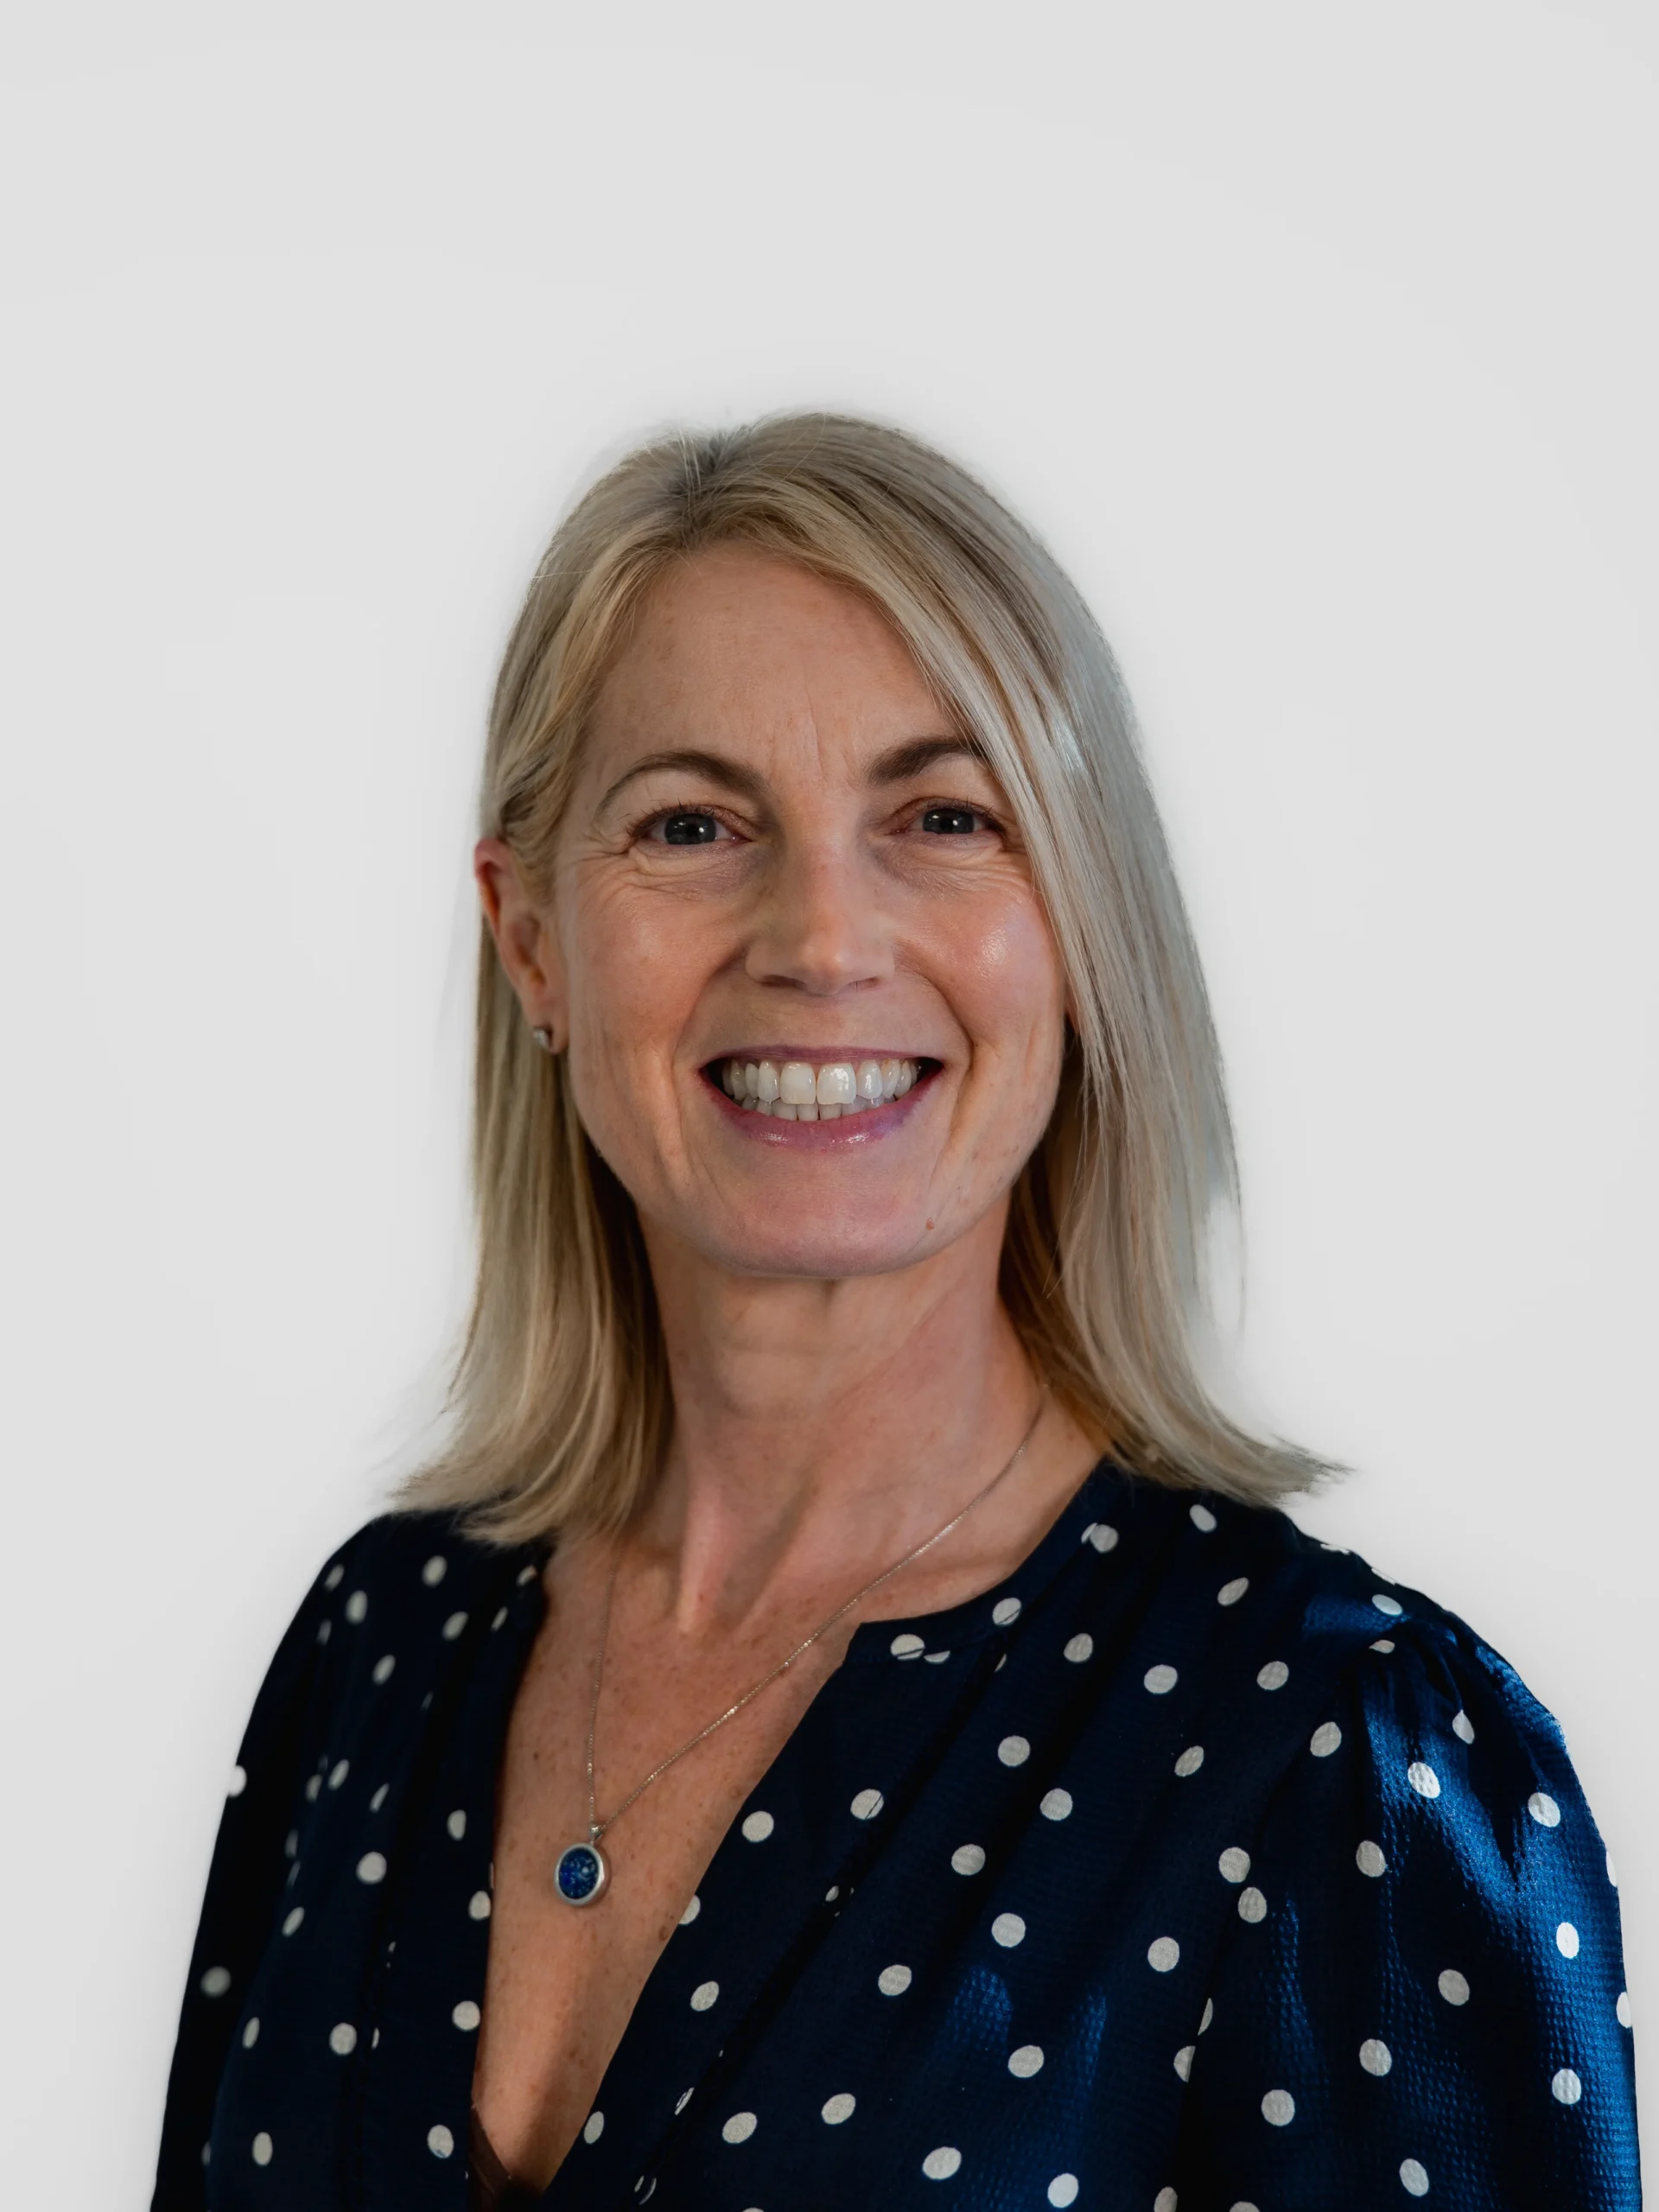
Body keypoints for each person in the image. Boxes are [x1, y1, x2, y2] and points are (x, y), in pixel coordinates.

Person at [151, 413, 1640, 2211]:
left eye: (944, 818)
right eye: (692, 824)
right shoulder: (379, 1647)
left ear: (1081, 928)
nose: (821, 939)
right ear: (532, 938)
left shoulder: (1338, 1753)